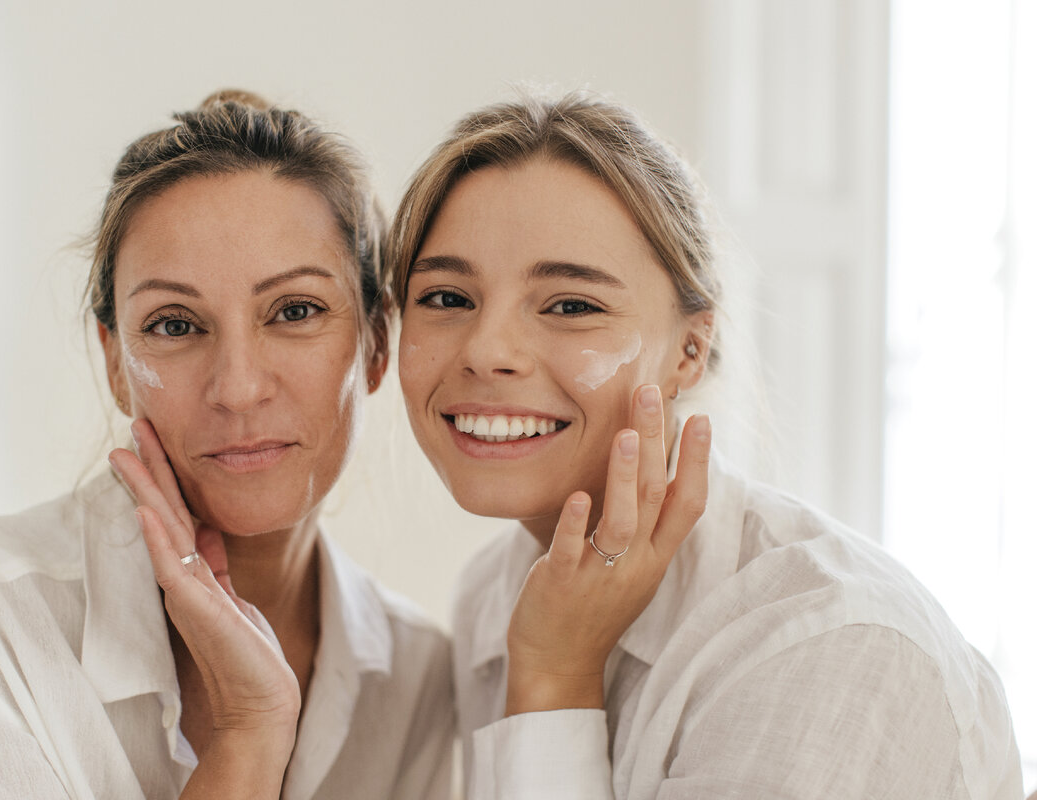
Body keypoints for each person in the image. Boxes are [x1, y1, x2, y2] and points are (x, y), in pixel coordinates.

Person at [386, 91, 1023, 798]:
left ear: (690, 349)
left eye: (571, 305)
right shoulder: (494, 593)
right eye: (447, 298)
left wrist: (554, 677)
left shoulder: (833, 644)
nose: (486, 351)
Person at [0, 91, 454, 799]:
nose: (238, 388)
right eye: (175, 325)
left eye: (294, 311)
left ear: (376, 344)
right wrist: (251, 731)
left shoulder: (418, 680)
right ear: (115, 363)